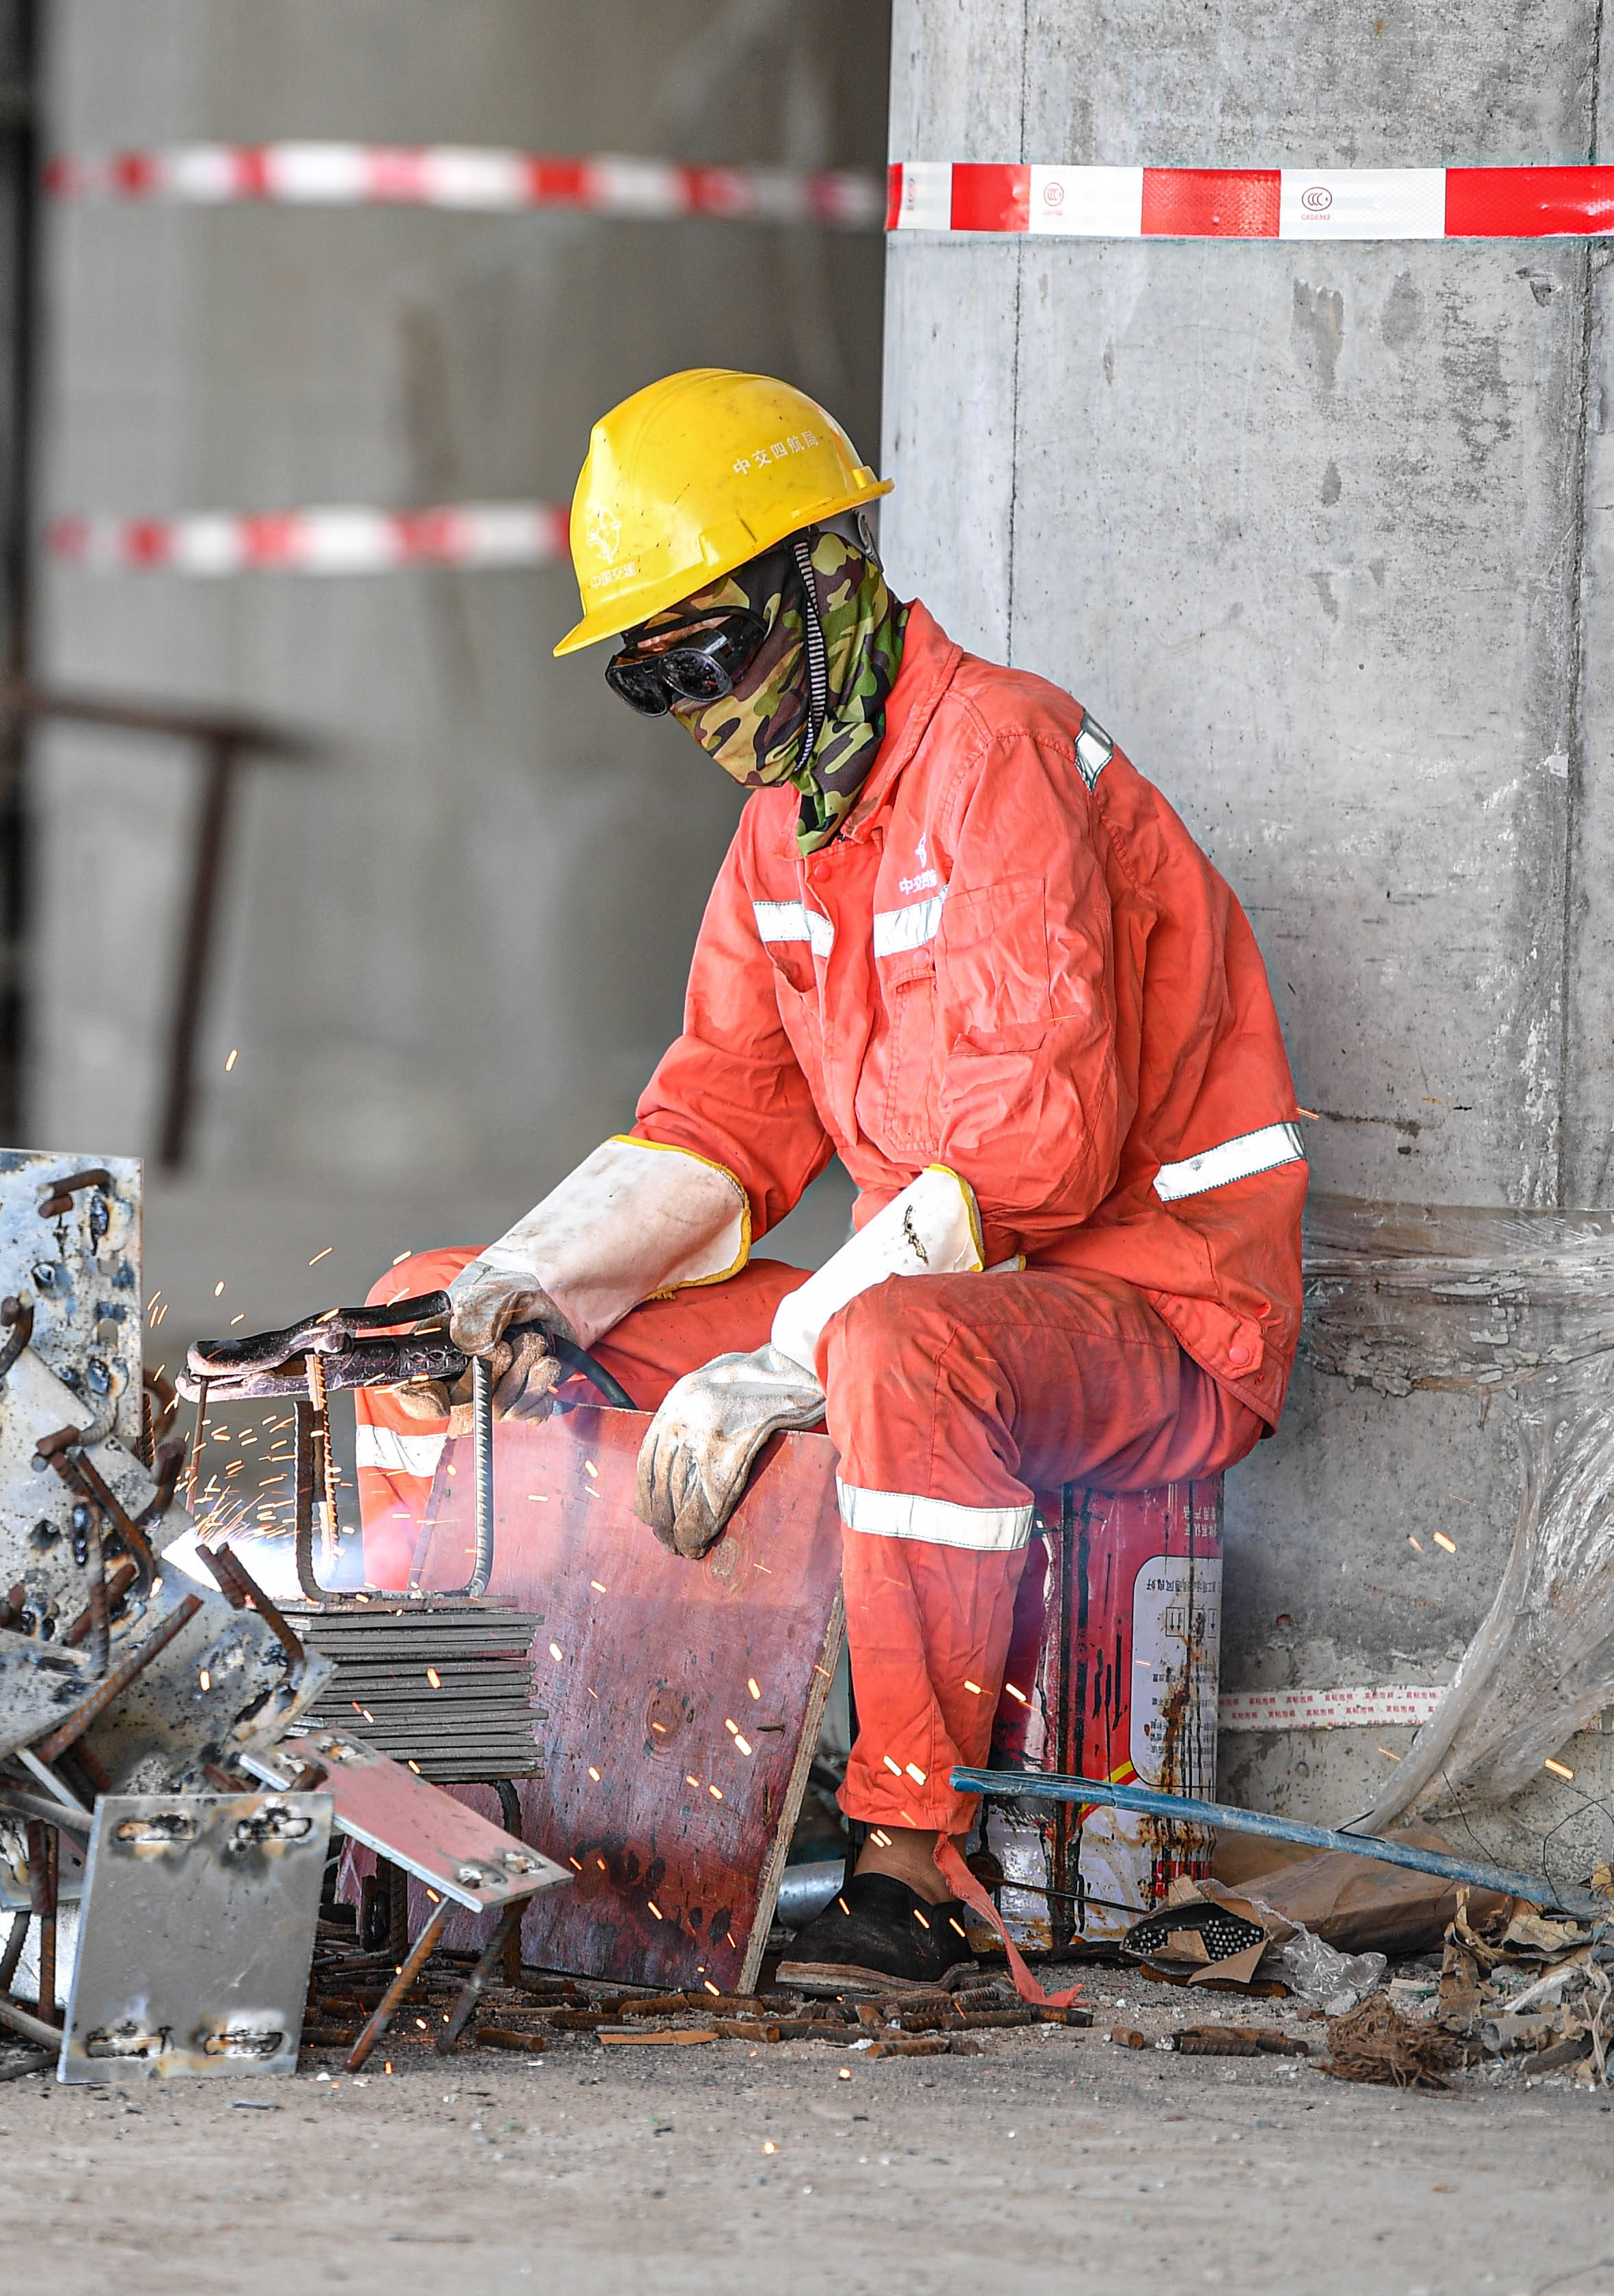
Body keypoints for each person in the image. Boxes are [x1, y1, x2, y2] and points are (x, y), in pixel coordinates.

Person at [352, 369, 1305, 1993]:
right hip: (947, 1286)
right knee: (419, 1314)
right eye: (652, 683)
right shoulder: (788, 828)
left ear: (827, 575)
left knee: (883, 1351)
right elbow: (719, 1123)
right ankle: (448, 1795)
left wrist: (780, 1364)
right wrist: (524, 1282)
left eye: (713, 650)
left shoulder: (994, 750)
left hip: (1159, 1308)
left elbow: (1035, 1149)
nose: (705, 714)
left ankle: (909, 1859)